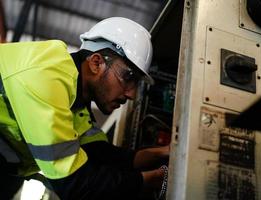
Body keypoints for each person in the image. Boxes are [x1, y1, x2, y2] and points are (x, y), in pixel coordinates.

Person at [0, 17, 169, 199]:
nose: (132, 94)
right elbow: (74, 183)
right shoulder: (45, 79)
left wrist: (160, 153)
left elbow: (99, 154)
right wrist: (145, 181)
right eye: (128, 77)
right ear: (96, 63)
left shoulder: (75, 97)